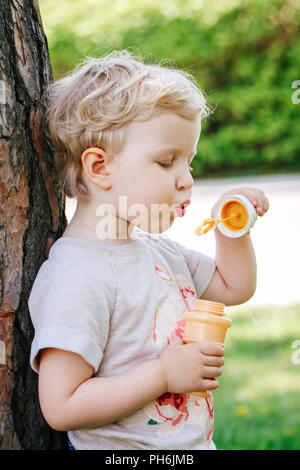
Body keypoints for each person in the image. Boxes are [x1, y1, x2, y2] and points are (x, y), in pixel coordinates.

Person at [28, 49, 269, 450]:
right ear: (100, 167)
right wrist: (163, 375)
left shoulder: (159, 252)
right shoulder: (78, 275)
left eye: (189, 162)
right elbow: (60, 406)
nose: (186, 180)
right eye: (166, 162)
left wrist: (231, 230)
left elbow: (234, 287)